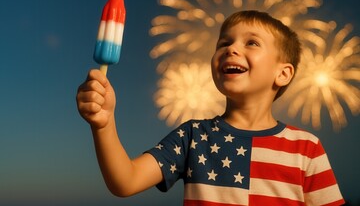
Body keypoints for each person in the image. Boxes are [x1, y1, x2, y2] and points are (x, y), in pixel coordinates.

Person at [76, 10, 345, 205]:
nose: (231, 49)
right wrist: (104, 123)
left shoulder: (307, 149)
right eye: (224, 43)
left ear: (283, 74)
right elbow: (125, 181)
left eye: (251, 42)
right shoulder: (193, 136)